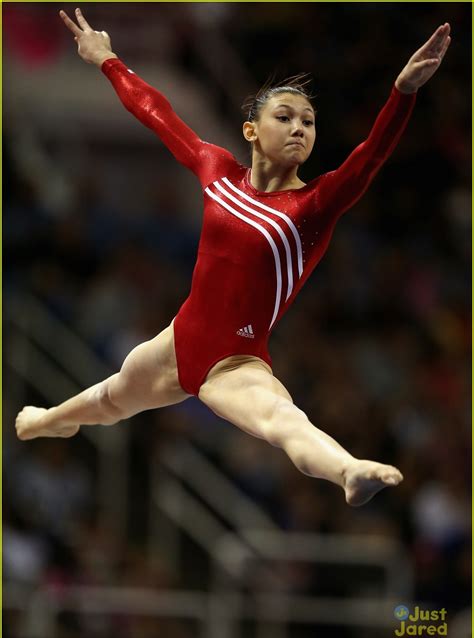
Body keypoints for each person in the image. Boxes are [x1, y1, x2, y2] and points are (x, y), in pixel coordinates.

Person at [16, 8, 451, 506]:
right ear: (250, 131)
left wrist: (403, 93)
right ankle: (52, 421)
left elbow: (369, 156)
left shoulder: (313, 205)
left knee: (281, 420)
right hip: (179, 340)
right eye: (284, 117)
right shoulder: (218, 171)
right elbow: (157, 112)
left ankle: (348, 470)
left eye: (308, 122)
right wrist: (107, 59)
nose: (299, 129)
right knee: (113, 398)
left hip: (235, 364)